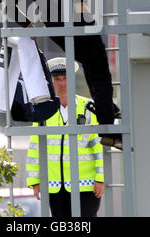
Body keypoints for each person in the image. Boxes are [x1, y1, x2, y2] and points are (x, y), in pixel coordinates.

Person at [9, 0, 123, 149]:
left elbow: (7, 1)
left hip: (56, 29)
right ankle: (108, 127)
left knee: (90, 64)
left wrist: (26, 23)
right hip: (79, 22)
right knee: (99, 70)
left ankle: (106, 107)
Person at [26, 57, 104, 217]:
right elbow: (35, 147)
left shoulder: (89, 108)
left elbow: (100, 145)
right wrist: (34, 180)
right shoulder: (43, 110)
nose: (62, 83)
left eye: (65, 78)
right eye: (57, 79)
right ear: (50, 80)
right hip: (54, 186)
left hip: (86, 186)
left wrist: (101, 178)